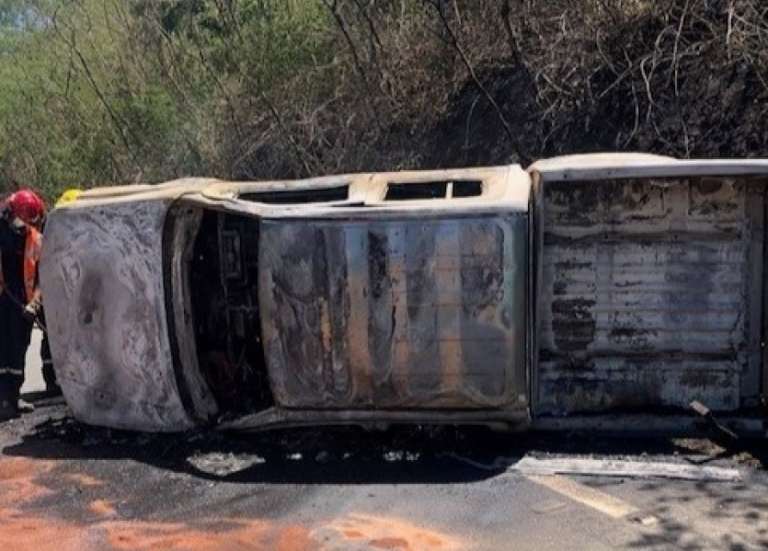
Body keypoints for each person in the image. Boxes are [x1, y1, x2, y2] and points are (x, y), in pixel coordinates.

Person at [0, 189, 45, 420]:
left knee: (18, 350)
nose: (25, 225)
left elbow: (42, 277)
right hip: (2, 300)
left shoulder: (36, 240)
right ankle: (2, 399)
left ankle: (13, 396)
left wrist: (35, 304)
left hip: (22, 304)